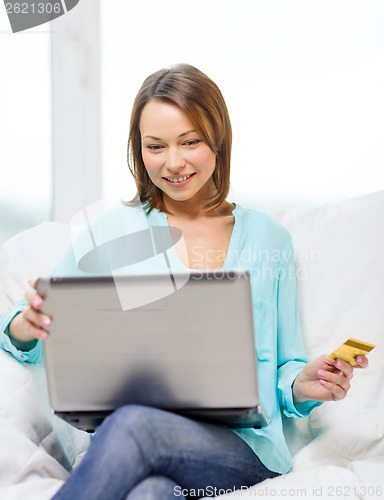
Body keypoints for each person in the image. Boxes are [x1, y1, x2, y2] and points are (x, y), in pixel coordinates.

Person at [0, 64, 368, 500]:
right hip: (127, 448)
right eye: (155, 147)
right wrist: (25, 327)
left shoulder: (271, 240)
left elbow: (285, 366)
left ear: (218, 140)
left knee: (134, 424)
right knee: (149, 493)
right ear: (140, 151)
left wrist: (303, 384)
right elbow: (42, 334)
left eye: (190, 142)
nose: (173, 163)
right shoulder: (108, 234)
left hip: (238, 453)